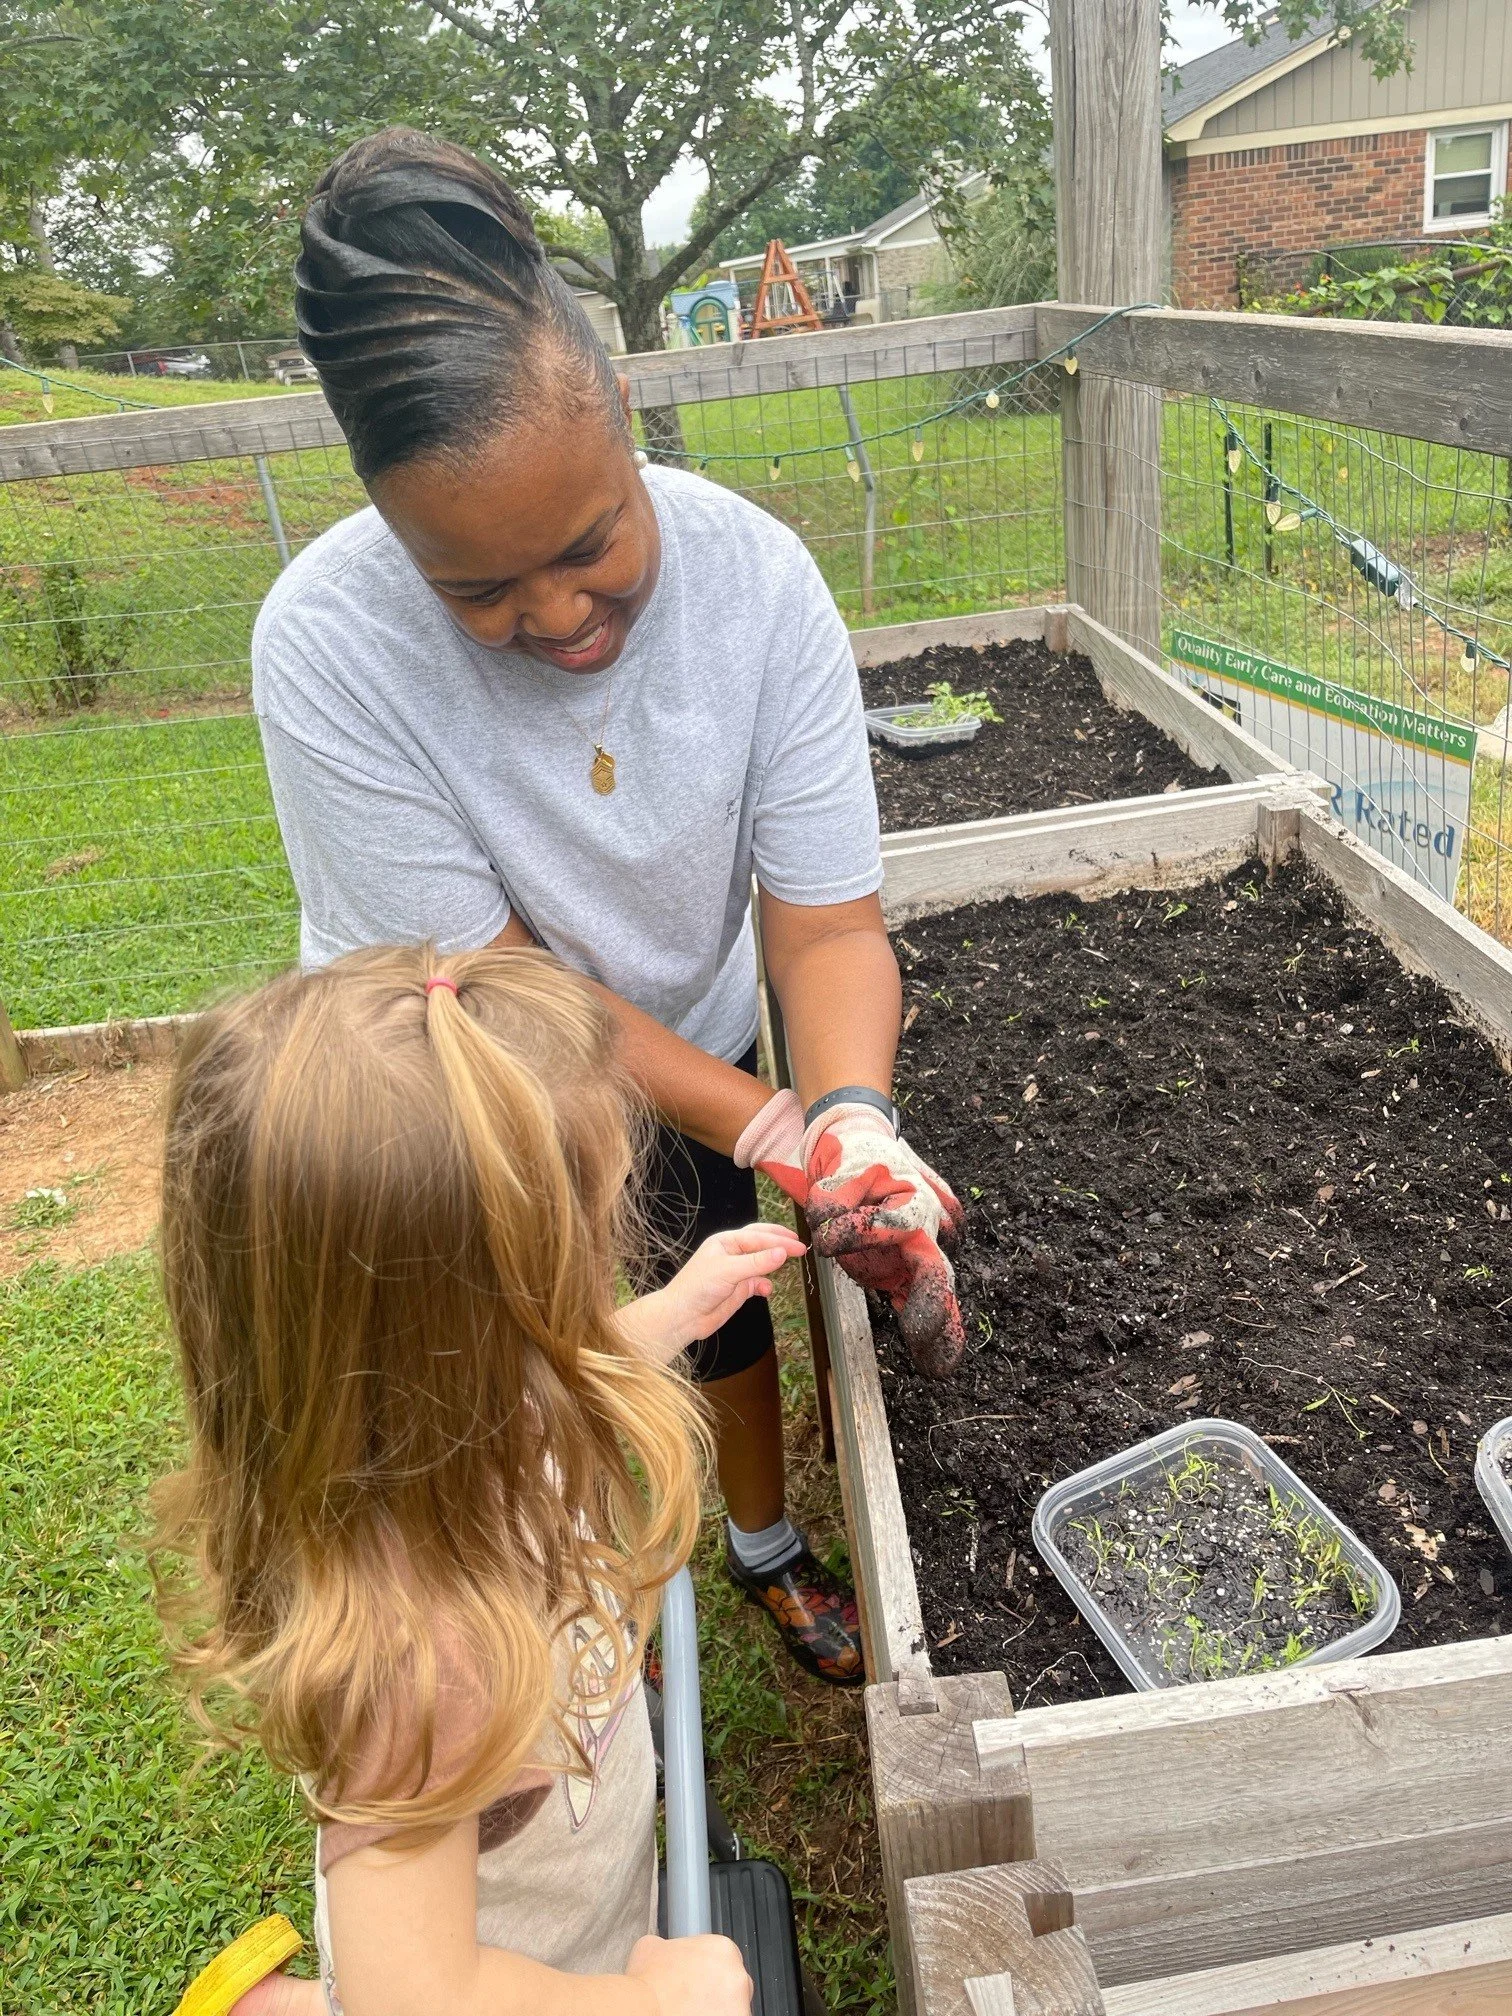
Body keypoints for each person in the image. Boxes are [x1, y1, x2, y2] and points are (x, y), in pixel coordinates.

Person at [250, 126, 966, 1686]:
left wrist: (842, 1118)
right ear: (388, 523)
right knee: (520, 1371)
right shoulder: (324, 646)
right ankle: (579, 1622)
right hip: (464, 1087)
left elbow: (827, 923)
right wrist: (764, 1125)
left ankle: (765, 1550)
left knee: (722, 1315)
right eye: (480, 593)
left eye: (588, 549)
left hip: (689, 1041)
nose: (559, 617)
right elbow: (498, 983)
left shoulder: (758, 584)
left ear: (629, 415)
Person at [163, 945, 805, 2016]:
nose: (603, 1285)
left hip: (579, 1915)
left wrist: (674, 1315)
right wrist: (652, 2005)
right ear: (451, 1353)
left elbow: (550, 1395)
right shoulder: (421, 1658)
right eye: (573, 1273)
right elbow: (420, 1996)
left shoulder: (454, 1430)